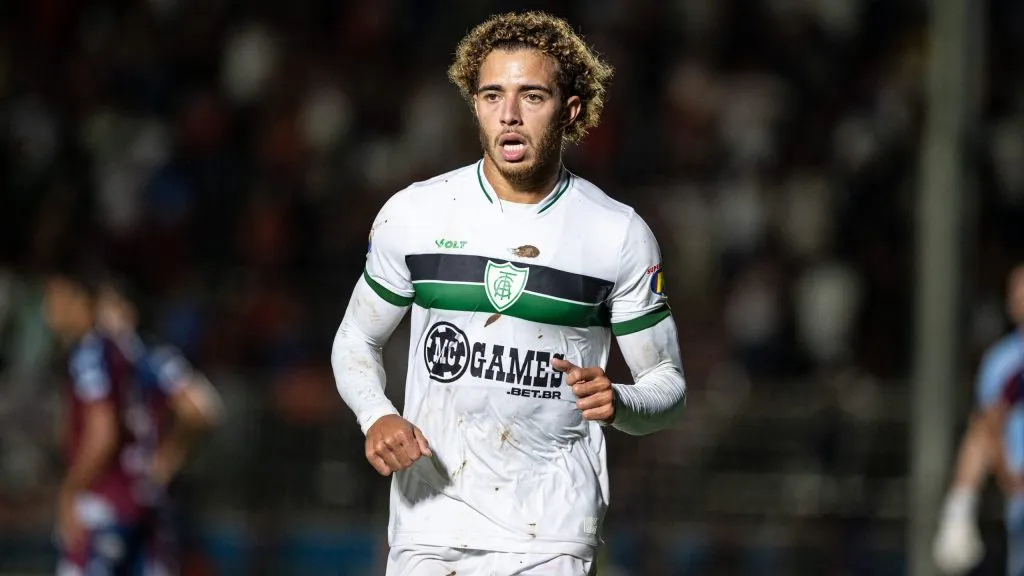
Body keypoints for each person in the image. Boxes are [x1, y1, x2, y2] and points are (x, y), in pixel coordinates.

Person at [331, 11, 686, 576]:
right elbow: (355, 338)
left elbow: (668, 389)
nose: (510, 115)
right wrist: (376, 415)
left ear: (569, 111)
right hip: (430, 523)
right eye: (492, 95)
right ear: (474, 104)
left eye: (532, 96)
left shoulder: (616, 234)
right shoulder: (416, 214)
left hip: (550, 533)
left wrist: (622, 402)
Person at [93, 278, 223, 575]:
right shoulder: (105, 363)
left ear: (130, 312)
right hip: (118, 493)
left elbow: (203, 408)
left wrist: (168, 457)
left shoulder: (147, 358)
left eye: (109, 308)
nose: (101, 318)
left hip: (140, 497)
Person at [934, 263, 1024, 575]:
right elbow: (987, 428)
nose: (1018, 297)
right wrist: (1010, 478)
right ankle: (958, 509)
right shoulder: (1002, 362)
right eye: (1014, 290)